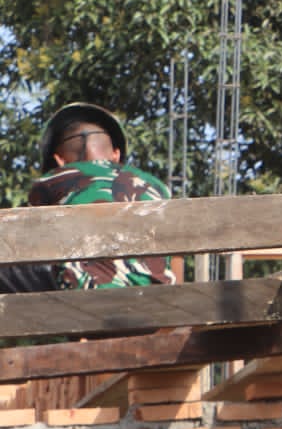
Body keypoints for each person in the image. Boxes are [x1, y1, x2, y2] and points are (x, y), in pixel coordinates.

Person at [0, 102, 177, 293]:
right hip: (156, 299)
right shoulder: (158, 187)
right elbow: (176, 256)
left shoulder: (51, 181)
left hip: (82, 295)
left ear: (60, 161)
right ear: (116, 155)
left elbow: (27, 242)